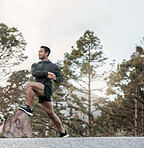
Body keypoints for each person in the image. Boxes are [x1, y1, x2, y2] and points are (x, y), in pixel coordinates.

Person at [18, 46, 69, 138]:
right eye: (38, 51)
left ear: (47, 53)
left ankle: (30, 108)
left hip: (46, 88)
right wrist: (47, 73)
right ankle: (63, 132)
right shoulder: (35, 65)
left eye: (41, 52)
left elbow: (60, 79)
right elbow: (34, 73)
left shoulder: (53, 66)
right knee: (51, 114)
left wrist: (55, 78)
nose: (39, 53)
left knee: (29, 85)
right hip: (39, 89)